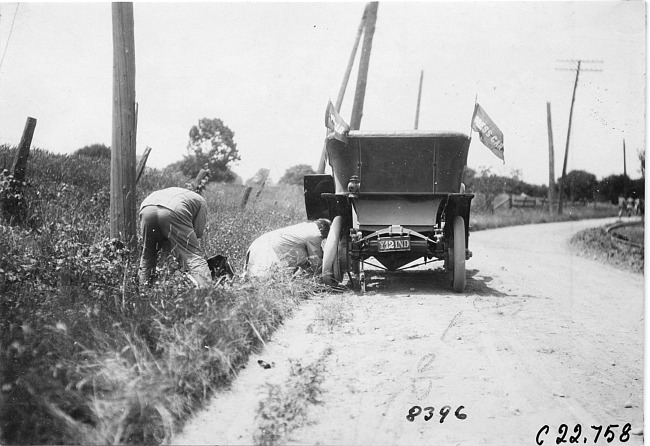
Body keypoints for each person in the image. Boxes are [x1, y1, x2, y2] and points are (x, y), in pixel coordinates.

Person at [139, 187, 212, 288]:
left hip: (147, 206)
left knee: (148, 254)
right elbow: (198, 233)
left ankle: (143, 290)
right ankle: (207, 291)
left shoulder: (181, 194)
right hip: (174, 208)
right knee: (193, 255)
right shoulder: (201, 201)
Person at [245, 218, 331, 277]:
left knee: (252, 277)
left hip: (261, 243)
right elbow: (316, 262)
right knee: (262, 281)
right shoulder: (315, 233)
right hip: (267, 248)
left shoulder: (307, 227)